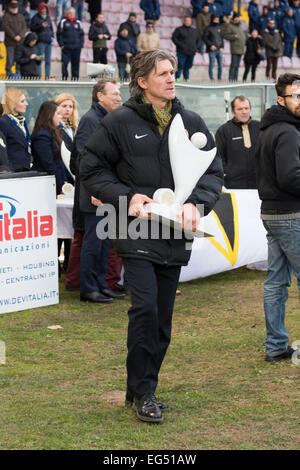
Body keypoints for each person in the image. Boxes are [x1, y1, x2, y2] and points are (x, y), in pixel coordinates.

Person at [80, 49, 223, 423]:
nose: (171, 78)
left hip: (175, 235)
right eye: (162, 73)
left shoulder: (191, 121)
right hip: (135, 228)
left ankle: (140, 387)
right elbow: (91, 169)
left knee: (161, 320)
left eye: (173, 72)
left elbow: (213, 170)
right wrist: (127, 198)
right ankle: (144, 393)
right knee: (144, 309)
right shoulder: (119, 121)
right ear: (142, 82)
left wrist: (197, 202)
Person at [255, 73, 300, 362]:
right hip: (290, 215)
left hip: (273, 214)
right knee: (276, 281)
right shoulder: (286, 131)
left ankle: (275, 346)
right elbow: (289, 177)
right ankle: (275, 344)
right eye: (295, 95)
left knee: (275, 281)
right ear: (281, 100)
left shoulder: (270, 128)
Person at [75, 79, 124, 303]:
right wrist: (95, 189)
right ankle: (88, 288)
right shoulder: (90, 120)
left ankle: (101, 284)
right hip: (94, 193)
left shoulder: (107, 120)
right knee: (93, 243)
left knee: (104, 243)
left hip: (106, 191)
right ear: (99, 96)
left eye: (119, 93)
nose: (118, 97)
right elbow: (84, 159)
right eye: (114, 93)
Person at [55, 93, 78, 273]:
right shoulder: (55, 129)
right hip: (62, 182)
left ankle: (69, 264)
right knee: (60, 225)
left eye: (70, 106)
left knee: (71, 224)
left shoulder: (74, 128)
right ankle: (58, 263)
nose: (67, 110)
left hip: (73, 181)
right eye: (64, 106)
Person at [215, 95, 260, 189]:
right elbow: (219, 157)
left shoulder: (260, 128)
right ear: (233, 112)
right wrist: (228, 173)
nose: (244, 112)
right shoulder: (224, 130)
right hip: (233, 185)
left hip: (258, 184)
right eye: (240, 109)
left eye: (246, 108)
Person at [31, 100, 74, 194]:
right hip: (45, 182)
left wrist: (67, 180)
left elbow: (59, 161)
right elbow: (48, 163)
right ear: (49, 115)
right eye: (58, 113)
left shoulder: (54, 133)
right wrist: (60, 183)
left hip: (56, 179)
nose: (61, 116)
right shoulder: (42, 135)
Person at [0, 88, 31, 171]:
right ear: (12, 103)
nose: (26, 104)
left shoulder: (22, 121)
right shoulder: (4, 122)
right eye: (22, 101)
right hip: (13, 171)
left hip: (25, 168)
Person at [56, 6, 84, 80]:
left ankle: (75, 79)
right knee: (64, 63)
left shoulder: (78, 22)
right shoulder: (63, 22)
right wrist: (61, 44)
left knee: (75, 64)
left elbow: (82, 34)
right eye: (70, 13)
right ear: (67, 13)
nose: (71, 14)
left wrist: (81, 44)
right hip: (66, 47)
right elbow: (59, 34)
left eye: (73, 13)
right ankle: (65, 78)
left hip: (76, 47)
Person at [171, 15, 201, 82]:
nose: (187, 22)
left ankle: (186, 78)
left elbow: (199, 40)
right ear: (184, 21)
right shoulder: (179, 30)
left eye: (189, 21)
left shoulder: (194, 31)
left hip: (191, 52)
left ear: (191, 22)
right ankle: (177, 77)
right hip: (181, 52)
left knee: (188, 66)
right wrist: (180, 45)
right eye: (186, 21)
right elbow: (174, 38)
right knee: (180, 65)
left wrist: (196, 47)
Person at [2, 0, 27, 77]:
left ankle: (18, 74)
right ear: (9, 8)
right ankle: (8, 74)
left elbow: (24, 27)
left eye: (15, 7)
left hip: (20, 42)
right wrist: (14, 36)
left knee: (19, 60)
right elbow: (6, 27)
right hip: (10, 43)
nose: (14, 9)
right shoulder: (6, 16)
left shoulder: (21, 16)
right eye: (13, 8)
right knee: (10, 60)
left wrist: (20, 36)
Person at [30, 2, 54, 80]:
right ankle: (39, 77)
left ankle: (47, 77)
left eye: (45, 9)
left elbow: (51, 29)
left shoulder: (48, 18)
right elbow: (32, 28)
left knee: (48, 61)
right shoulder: (35, 18)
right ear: (40, 9)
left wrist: (52, 36)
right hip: (40, 43)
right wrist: (41, 26)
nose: (44, 10)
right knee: (39, 59)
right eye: (43, 9)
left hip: (48, 43)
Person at [222, 11, 246, 82]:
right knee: (233, 65)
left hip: (241, 49)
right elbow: (226, 35)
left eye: (237, 17)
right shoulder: (230, 26)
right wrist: (233, 36)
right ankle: (231, 79)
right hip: (235, 48)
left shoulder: (240, 26)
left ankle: (235, 80)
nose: (236, 19)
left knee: (237, 66)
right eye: (235, 17)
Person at [203, 14, 224, 81]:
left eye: (217, 19)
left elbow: (221, 38)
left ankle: (219, 78)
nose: (216, 21)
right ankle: (211, 78)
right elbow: (205, 38)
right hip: (212, 50)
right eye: (215, 19)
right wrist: (210, 45)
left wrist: (222, 47)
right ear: (212, 19)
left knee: (220, 65)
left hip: (219, 50)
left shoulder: (219, 28)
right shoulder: (208, 28)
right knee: (212, 65)